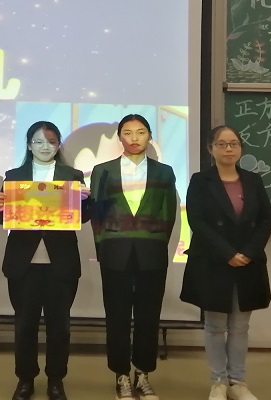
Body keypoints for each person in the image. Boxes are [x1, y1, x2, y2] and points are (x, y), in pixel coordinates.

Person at [0, 121, 91, 400]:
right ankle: (25, 379)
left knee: (59, 327)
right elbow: (1, 218)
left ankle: (56, 380)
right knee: (25, 325)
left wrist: (86, 201)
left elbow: (84, 217)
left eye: (51, 141)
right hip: (23, 263)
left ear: (58, 145)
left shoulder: (72, 176)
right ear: (28, 145)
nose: (45, 147)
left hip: (61, 262)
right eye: (38, 141)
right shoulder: (14, 176)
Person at [180, 126, 271, 400]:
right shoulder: (200, 181)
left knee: (240, 326)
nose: (228, 149)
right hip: (213, 261)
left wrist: (249, 252)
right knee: (215, 325)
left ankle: (238, 382)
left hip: (248, 262)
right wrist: (227, 253)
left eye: (233, 143)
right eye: (221, 144)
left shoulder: (253, 180)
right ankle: (218, 382)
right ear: (211, 149)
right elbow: (197, 220)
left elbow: (266, 218)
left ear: (240, 148)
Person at [90, 114, 176, 400]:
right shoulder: (103, 170)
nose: (134, 138)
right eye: (128, 133)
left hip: (152, 251)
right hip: (114, 251)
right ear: (120, 137)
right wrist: (102, 249)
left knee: (148, 316)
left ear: (149, 136)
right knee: (116, 316)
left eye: (140, 132)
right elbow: (97, 217)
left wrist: (156, 243)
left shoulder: (164, 172)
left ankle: (143, 374)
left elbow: (168, 215)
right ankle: (121, 376)